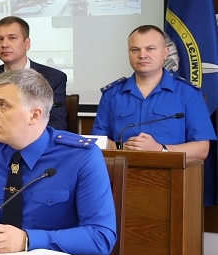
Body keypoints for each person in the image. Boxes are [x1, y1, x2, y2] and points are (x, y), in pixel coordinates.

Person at [0, 69, 117, 255]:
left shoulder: (81, 156)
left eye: (3, 105)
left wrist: (28, 240)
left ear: (35, 115)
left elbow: (101, 237)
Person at [91, 25, 215, 159]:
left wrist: (161, 149)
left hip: (170, 170)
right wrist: (121, 147)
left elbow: (202, 149)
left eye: (150, 49)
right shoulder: (112, 94)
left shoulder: (188, 93)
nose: (142, 55)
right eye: (135, 50)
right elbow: (96, 141)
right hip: (121, 169)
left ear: (165, 53)